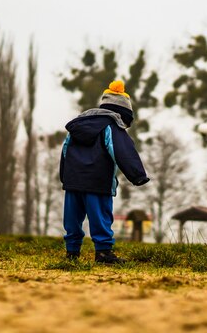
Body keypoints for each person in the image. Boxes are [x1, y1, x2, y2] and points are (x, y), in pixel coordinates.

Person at [60, 80, 149, 264]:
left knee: (72, 219)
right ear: (123, 113)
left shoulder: (77, 127)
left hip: (73, 181)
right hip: (98, 182)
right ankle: (103, 253)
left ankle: (72, 253)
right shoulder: (111, 126)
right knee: (100, 218)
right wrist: (137, 175)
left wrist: (65, 177)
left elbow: (65, 151)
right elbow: (123, 151)